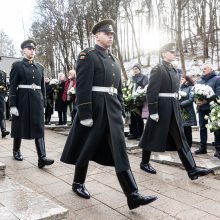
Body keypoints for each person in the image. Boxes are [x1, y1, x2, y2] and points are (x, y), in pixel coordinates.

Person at [60, 19, 157, 210]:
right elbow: (83, 86)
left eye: (112, 34)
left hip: (111, 110)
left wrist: (120, 110)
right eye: (107, 34)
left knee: (119, 150)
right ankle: (78, 183)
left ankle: (133, 195)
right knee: (87, 147)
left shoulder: (114, 60)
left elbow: (118, 90)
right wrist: (85, 112)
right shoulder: (87, 55)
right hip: (95, 110)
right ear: (97, 36)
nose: (111, 36)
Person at [138, 43, 213, 180]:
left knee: (180, 137)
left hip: (173, 106)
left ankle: (192, 169)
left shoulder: (173, 69)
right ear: (163, 54)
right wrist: (153, 110)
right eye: (171, 52)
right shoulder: (158, 69)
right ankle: (144, 162)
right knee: (151, 135)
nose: (174, 53)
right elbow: (151, 91)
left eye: (174, 51)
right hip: (161, 107)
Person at [9, 39, 54, 168]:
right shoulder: (17, 66)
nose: (32, 51)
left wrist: (44, 103)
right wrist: (12, 104)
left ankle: (42, 158)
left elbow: (43, 87)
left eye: (33, 49)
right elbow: (13, 86)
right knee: (19, 126)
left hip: (36, 101)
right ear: (23, 50)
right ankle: (16, 150)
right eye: (29, 49)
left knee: (39, 128)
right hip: (22, 100)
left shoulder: (40, 67)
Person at [194, 63, 220, 157]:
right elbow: (194, 93)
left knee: (216, 128)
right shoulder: (200, 81)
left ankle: (218, 148)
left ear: (211, 69)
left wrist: (206, 101)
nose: (203, 70)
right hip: (201, 108)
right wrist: (196, 100)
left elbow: (218, 93)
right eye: (202, 68)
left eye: (205, 68)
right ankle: (203, 147)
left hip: (213, 108)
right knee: (202, 127)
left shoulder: (217, 79)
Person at [127, 64, 148, 140]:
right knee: (132, 117)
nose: (135, 70)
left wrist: (140, 95)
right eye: (134, 69)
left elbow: (146, 87)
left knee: (139, 117)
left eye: (136, 68)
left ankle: (140, 134)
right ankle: (133, 133)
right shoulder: (132, 78)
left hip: (140, 100)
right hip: (131, 100)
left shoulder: (144, 77)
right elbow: (128, 87)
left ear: (139, 69)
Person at [179, 75, 197, 148]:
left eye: (182, 79)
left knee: (187, 129)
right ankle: (183, 144)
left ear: (187, 80)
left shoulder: (191, 88)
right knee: (181, 129)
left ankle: (188, 145)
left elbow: (191, 99)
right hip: (180, 110)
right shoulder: (179, 88)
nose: (180, 80)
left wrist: (180, 104)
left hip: (188, 111)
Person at [0, 69, 10, 138]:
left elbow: (5, 85)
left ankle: (3, 131)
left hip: (1, 95)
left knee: (1, 112)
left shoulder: (3, 72)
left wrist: (6, 94)